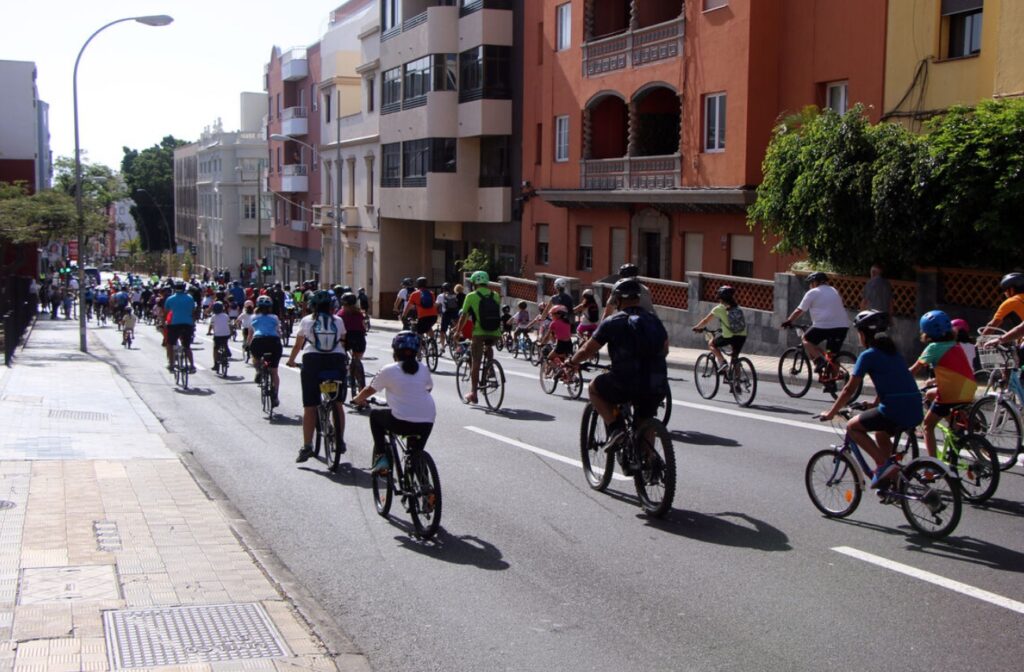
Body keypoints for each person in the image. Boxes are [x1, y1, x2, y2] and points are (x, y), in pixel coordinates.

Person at [820, 310, 923, 488]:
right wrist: (874, 404)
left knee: (852, 426)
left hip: (894, 410)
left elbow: (848, 390)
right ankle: (890, 479)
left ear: (863, 334)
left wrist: (831, 413)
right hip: (915, 409)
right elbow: (893, 382)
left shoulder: (868, 356)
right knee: (880, 433)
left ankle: (884, 465)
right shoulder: (894, 354)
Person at [569, 278, 669, 448]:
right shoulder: (654, 320)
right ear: (638, 298)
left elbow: (587, 350)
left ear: (617, 300)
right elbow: (665, 349)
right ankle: (649, 463)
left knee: (594, 387)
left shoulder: (613, 322)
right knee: (645, 418)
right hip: (657, 381)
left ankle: (616, 429)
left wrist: (572, 362)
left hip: (625, 380)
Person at [352, 331, 436, 475]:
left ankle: (381, 459)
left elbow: (369, 390)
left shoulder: (389, 370)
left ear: (395, 350)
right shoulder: (423, 368)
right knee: (416, 453)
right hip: (427, 420)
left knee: (375, 416)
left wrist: (357, 399)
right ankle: (425, 490)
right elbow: (428, 388)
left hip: (401, 420)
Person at [286, 290, 348, 464]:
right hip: (336, 360)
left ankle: (307, 446)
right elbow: (343, 341)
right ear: (331, 306)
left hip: (313, 361)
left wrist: (291, 360)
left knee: (310, 406)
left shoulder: (307, 321)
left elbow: (298, 345)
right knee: (337, 403)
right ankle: (340, 440)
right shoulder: (338, 320)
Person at [909, 310, 977, 458]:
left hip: (950, 393)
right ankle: (954, 425)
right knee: (929, 393)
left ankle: (933, 464)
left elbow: (913, 371)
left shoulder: (933, 348)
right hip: (969, 389)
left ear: (926, 332)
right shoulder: (955, 344)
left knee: (928, 425)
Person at [781, 271, 850, 375]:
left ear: (815, 282)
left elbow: (800, 310)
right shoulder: (834, 290)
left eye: (811, 283)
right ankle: (831, 382)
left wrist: (789, 321)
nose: (810, 286)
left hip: (824, 326)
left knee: (806, 339)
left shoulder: (813, 292)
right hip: (842, 326)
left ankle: (819, 360)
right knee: (831, 355)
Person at [455, 270, 503, 404]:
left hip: (479, 332)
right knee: (488, 346)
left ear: (474, 283)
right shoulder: (495, 295)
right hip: (495, 332)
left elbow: (463, 316)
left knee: (475, 361)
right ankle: (490, 368)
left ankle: (474, 393)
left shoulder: (471, 296)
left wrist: (457, 332)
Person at [692, 285, 748, 372]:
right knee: (735, 358)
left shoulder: (719, 308)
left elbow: (706, 320)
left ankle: (723, 362)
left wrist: (697, 327)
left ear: (720, 298)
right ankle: (737, 382)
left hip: (729, 336)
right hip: (742, 335)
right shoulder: (737, 307)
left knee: (711, 344)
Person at [249, 295, 283, 407]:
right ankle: (275, 395)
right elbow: (278, 331)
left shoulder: (253, 317)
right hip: (273, 342)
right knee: (274, 372)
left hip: (258, 341)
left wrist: (247, 345)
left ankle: (258, 370)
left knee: (255, 357)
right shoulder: (274, 317)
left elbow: (250, 334)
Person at [164, 281, 197, 373]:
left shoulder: (170, 299)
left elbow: (166, 312)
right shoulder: (190, 298)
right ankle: (192, 365)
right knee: (187, 346)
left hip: (174, 324)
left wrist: (164, 323)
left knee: (170, 344)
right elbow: (193, 310)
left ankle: (171, 364)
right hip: (187, 324)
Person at [337, 292, 367, 377]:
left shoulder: (340, 314)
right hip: (359, 338)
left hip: (346, 338)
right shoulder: (360, 313)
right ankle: (355, 370)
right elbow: (364, 326)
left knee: (341, 356)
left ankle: (346, 372)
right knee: (357, 359)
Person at [539, 304, 573, 373]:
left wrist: (541, 343)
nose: (551, 316)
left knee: (549, 359)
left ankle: (560, 369)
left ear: (558, 314)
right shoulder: (568, 322)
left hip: (560, 344)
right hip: (569, 344)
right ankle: (567, 374)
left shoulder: (553, 323)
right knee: (565, 360)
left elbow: (547, 336)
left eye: (552, 314)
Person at [206, 301, 232, 368]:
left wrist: (209, 332)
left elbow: (211, 325)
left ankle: (216, 364)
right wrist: (231, 332)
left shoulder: (213, 317)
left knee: (215, 348)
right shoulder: (226, 316)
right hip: (226, 334)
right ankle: (226, 350)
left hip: (217, 335)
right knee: (225, 342)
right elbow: (229, 324)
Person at [438, 282, 460, 349]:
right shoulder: (455, 295)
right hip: (455, 313)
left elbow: (436, 305)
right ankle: (457, 346)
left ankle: (442, 346)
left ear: (443, 289)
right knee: (456, 329)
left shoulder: (441, 296)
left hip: (446, 314)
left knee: (442, 331)